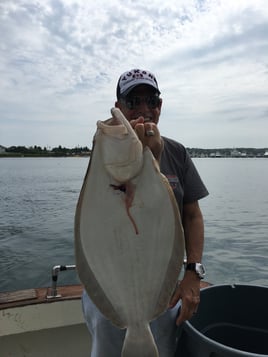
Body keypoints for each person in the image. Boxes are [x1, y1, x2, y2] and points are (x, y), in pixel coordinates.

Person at [82, 68, 209, 356]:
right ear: (118, 108)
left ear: (160, 107)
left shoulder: (178, 153)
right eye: (132, 101)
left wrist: (193, 272)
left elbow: (192, 216)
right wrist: (147, 155)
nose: (144, 109)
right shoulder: (107, 152)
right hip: (109, 282)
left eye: (151, 101)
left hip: (159, 283)